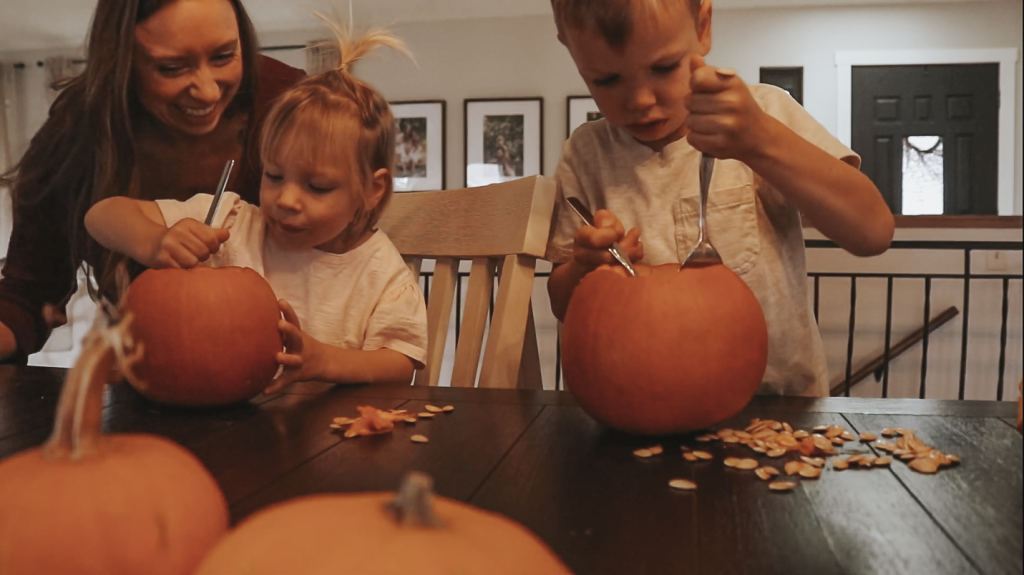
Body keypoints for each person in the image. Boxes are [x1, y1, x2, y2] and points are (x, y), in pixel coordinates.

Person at [545, 0, 895, 396]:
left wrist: (761, 142)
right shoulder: (585, 155)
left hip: (780, 413)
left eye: (663, 68)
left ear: (703, 25)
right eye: (606, 80)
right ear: (569, 49)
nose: (640, 100)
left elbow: (873, 231)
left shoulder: (764, 113)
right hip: (637, 408)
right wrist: (584, 267)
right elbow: (561, 302)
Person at [85, 19, 428, 390]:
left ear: (372, 190)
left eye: (317, 186)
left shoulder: (380, 271)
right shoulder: (229, 220)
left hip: (328, 437)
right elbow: (101, 216)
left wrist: (325, 360)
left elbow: (400, 363)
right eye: (274, 176)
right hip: (218, 420)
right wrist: (153, 241)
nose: (286, 199)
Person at [0, 0, 305, 363]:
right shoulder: (74, 136)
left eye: (224, 56)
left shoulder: (290, 102)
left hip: (300, 373)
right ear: (121, 63)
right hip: (151, 377)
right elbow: (27, 297)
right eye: (171, 67)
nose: (208, 92)